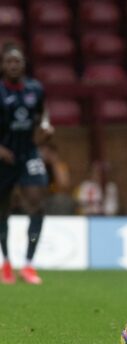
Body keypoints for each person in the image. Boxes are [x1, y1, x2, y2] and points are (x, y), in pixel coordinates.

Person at [0, 45, 52, 284]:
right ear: (2, 65)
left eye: (17, 61)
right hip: (3, 157)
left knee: (37, 204)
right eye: (9, 61)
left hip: (28, 154)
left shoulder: (35, 89)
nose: (14, 65)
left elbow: (43, 115)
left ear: (23, 65)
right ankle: (6, 263)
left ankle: (29, 265)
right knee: (2, 211)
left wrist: (44, 129)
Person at [39, 142, 76, 215]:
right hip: (44, 198)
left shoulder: (60, 166)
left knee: (60, 200)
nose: (41, 155)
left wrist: (54, 162)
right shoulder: (40, 167)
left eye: (44, 152)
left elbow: (64, 185)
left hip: (57, 199)